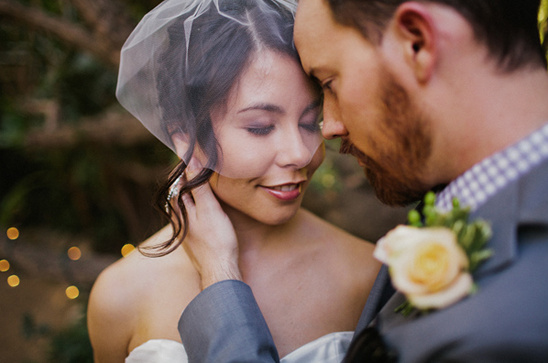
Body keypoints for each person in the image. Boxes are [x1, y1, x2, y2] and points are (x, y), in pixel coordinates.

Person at [176, 0, 548, 361]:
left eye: (329, 83)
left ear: (416, 42)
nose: (330, 128)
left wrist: (220, 278)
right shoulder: (470, 200)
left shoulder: (506, 328)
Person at [86, 0, 381, 362]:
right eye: (260, 127)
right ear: (183, 136)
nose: (300, 154)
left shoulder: (366, 276)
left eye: (309, 122)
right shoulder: (120, 294)